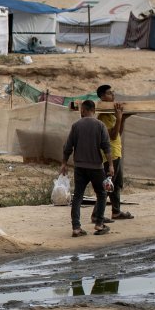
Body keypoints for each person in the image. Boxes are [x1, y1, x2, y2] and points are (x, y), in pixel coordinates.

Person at [60, 100, 113, 237]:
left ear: (83, 110)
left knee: (77, 196)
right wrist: (111, 165)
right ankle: (99, 224)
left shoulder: (76, 126)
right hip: (96, 167)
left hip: (80, 167)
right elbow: (107, 147)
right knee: (102, 194)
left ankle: (76, 228)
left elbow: (68, 147)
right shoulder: (100, 125)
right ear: (94, 111)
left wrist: (64, 163)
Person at [96, 85, 134, 221]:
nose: (113, 95)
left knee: (116, 184)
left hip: (116, 152)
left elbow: (118, 133)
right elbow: (111, 136)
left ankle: (116, 212)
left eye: (113, 92)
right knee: (108, 184)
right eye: (109, 93)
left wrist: (122, 119)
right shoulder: (103, 116)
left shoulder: (111, 113)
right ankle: (96, 215)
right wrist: (118, 118)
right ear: (102, 97)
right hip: (110, 155)